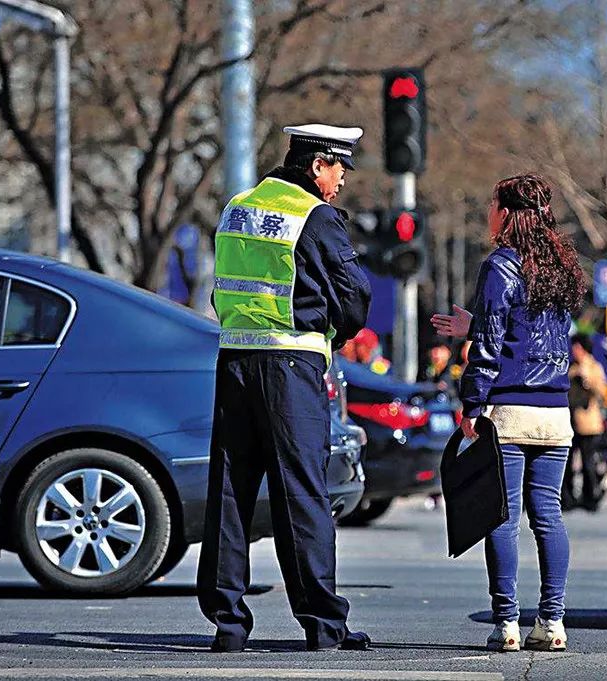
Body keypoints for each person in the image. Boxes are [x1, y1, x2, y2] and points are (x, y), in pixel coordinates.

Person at [198, 124, 372, 653]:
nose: (342, 179)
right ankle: (323, 625)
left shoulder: (238, 207)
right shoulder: (312, 216)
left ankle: (227, 625)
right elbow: (355, 296)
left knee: (230, 492)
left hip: (234, 362)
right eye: (340, 166)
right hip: (290, 365)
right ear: (317, 164)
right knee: (303, 493)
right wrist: (330, 334)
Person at [452, 174, 586, 653]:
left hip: (508, 410)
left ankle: (506, 623)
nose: (488, 212)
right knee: (548, 513)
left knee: (503, 518)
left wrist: (471, 403)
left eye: (492, 204)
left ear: (506, 213)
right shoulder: (562, 270)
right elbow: (530, 334)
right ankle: (552, 620)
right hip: (555, 413)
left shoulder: (500, 267)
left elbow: (491, 345)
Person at [562, 334, 607, 512]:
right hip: (570, 421)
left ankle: (591, 497)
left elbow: (603, 392)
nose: (574, 351)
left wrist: (587, 380)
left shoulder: (594, 366)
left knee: (588, 462)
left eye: (577, 347)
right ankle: (568, 496)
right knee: (568, 462)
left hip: (588, 422)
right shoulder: (571, 367)